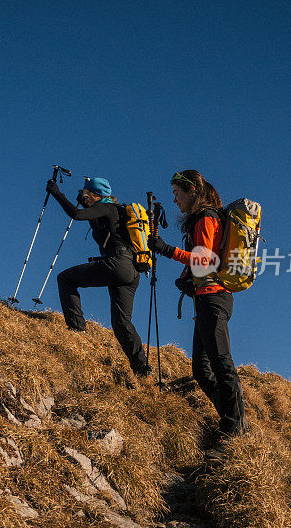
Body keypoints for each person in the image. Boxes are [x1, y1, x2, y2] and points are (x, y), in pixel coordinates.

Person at [147, 169, 248, 438]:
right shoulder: (204, 217)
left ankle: (236, 428)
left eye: (177, 194)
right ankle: (231, 420)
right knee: (202, 370)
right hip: (208, 298)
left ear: (192, 192)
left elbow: (204, 261)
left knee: (220, 363)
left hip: (214, 298)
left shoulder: (205, 218)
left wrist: (167, 250)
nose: (175, 200)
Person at [45, 176, 150, 377]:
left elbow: (76, 214)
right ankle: (142, 369)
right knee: (121, 323)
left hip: (116, 264)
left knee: (65, 279)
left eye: (86, 194)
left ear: (96, 195)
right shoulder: (116, 211)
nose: (84, 197)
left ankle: (77, 328)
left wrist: (57, 193)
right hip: (132, 271)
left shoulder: (106, 207)